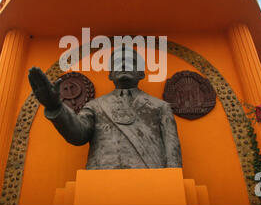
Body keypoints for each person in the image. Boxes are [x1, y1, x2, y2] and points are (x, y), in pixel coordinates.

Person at [28, 47, 182, 169]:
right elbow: (78, 135)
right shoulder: (95, 106)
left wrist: (173, 181)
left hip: (153, 179)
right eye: (117, 63)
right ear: (109, 75)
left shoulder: (160, 107)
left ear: (141, 73)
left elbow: (172, 150)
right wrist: (55, 107)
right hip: (101, 176)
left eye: (131, 62)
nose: (123, 65)